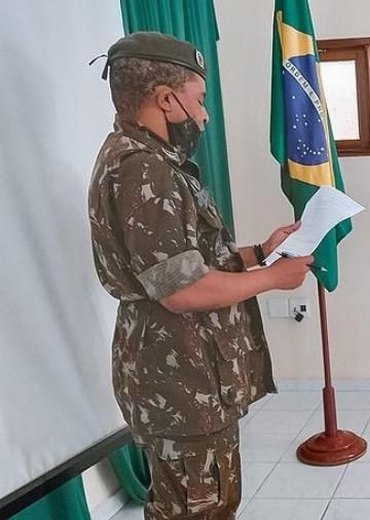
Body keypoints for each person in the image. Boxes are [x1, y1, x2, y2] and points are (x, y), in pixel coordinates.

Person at [88, 32, 312, 519]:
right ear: (167, 99)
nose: (204, 114)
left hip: (182, 374)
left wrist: (258, 252)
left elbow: (185, 263)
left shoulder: (145, 161)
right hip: (178, 378)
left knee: (203, 505)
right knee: (198, 511)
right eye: (199, 99)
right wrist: (275, 278)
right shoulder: (144, 170)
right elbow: (184, 291)